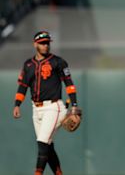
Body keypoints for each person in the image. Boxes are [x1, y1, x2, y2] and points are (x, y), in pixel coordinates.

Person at [12, 31, 79, 175]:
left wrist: (74, 105)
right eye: (42, 43)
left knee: (42, 143)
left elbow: (69, 84)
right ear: (35, 44)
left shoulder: (58, 62)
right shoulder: (28, 64)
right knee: (47, 147)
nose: (45, 45)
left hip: (54, 107)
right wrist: (17, 104)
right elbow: (23, 86)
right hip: (36, 109)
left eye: (47, 43)